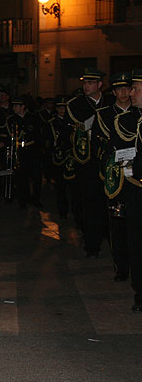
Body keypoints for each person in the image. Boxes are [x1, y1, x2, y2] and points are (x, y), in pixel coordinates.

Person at [66, 67, 114, 257]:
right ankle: (92, 244)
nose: (86, 86)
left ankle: (111, 238)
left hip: (108, 158)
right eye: (85, 83)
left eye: (91, 83)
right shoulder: (76, 104)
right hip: (87, 160)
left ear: (100, 84)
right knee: (90, 202)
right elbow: (66, 131)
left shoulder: (110, 101)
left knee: (110, 199)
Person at [93, 72, 133, 282]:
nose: (124, 92)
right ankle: (121, 266)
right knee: (117, 221)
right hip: (116, 173)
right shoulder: (104, 114)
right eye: (119, 89)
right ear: (114, 92)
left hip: (136, 173)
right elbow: (99, 144)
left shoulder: (138, 112)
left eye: (127, 88)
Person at [110, 69, 142, 311]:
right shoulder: (128, 120)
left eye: (136, 89)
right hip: (136, 189)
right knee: (136, 244)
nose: (130, 93)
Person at [8, 95, 43, 208]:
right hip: (20, 151)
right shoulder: (11, 120)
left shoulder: (33, 118)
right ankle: (23, 200)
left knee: (36, 177)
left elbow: (38, 134)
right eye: (13, 106)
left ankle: (36, 199)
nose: (14, 108)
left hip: (32, 151)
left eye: (17, 106)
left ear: (23, 107)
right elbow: (12, 136)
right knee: (21, 177)